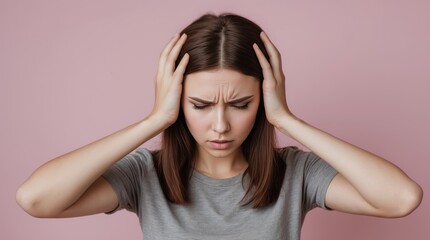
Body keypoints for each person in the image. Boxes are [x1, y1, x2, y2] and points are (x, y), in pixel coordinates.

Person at [16, 13, 423, 239]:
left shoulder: (296, 173)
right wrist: (154, 120)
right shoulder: (145, 175)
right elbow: (36, 199)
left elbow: (402, 199)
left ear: (262, 100)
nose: (221, 125)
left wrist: (287, 119)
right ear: (178, 102)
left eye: (241, 104)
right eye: (200, 104)